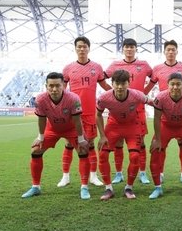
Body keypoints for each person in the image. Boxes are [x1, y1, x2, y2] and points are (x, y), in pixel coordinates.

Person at [21, 72, 91, 200]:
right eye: (51, 86)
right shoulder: (41, 99)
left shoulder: (73, 98)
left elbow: (77, 120)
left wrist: (81, 139)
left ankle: (84, 187)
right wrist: (40, 137)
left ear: (63, 85)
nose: (54, 89)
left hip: (71, 129)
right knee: (36, 150)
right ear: (46, 86)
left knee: (83, 151)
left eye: (58, 86)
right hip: (52, 129)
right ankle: (36, 187)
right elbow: (42, 119)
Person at [57, 36, 111, 188]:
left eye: (84, 46)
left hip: (90, 112)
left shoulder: (97, 67)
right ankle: (65, 176)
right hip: (73, 113)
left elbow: (105, 86)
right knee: (68, 144)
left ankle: (93, 176)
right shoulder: (68, 68)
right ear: (75, 48)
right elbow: (62, 90)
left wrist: (116, 94)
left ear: (89, 48)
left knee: (91, 144)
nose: (82, 49)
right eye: (79, 46)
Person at [144, 40, 182, 185]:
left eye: (173, 49)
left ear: (177, 51)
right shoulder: (157, 68)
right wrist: (139, 98)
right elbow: (149, 87)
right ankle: (160, 173)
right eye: (168, 50)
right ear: (164, 52)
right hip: (164, 112)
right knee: (161, 145)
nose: (171, 52)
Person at [148, 73, 182, 199]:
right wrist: (157, 139)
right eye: (172, 84)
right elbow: (156, 118)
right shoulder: (160, 97)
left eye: (178, 84)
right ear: (167, 85)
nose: (175, 87)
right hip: (166, 125)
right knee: (155, 151)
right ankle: (157, 188)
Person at [105, 38, 153, 185]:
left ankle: (143, 173)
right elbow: (101, 78)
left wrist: (143, 94)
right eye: (127, 47)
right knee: (118, 143)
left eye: (132, 47)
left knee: (141, 142)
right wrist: (112, 94)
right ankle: (119, 173)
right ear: (123, 49)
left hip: (138, 110)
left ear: (136, 49)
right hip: (118, 110)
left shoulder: (144, 65)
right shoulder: (115, 65)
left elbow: (155, 79)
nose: (129, 49)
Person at [95, 70, 149, 200]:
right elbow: (98, 115)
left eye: (123, 83)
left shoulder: (137, 95)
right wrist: (102, 136)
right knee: (102, 154)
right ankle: (108, 189)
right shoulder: (104, 97)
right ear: (112, 83)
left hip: (132, 126)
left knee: (135, 156)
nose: (120, 87)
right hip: (113, 126)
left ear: (128, 83)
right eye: (117, 83)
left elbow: (154, 103)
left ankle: (129, 187)